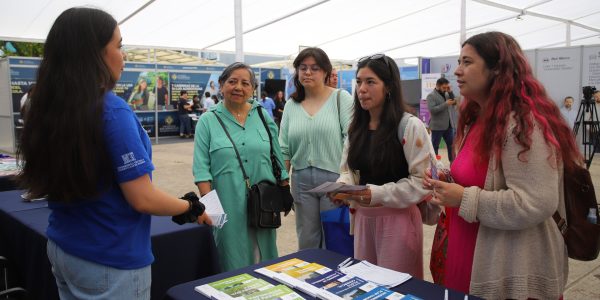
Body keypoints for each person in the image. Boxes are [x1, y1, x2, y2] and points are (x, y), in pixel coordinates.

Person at [16, 7, 211, 299]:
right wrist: (190, 207)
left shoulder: (48, 106)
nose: (124, 56)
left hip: (63, 246)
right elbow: (142, 198)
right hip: (110, 259)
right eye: (119, 46)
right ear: (93, 53)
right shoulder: (112, 110)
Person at [423, 31, 579, 299]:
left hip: (505, 266)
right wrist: (449, 181)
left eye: (467, 62)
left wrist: (463, 198)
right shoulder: (477, 118)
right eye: (458, 62)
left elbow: (536, 202)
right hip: (467, 254)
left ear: (497, 69)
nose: (457, 71)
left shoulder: (522, 124)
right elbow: (481, 179)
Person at [328, 54, 437, 278]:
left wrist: (376, 193)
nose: (362, 89)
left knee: (395, 287)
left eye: (370, 82)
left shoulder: (409, 126)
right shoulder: (355, 128)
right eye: (359, 82)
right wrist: (343, 187)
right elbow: (348, 170)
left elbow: (423, 181)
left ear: (388, 86)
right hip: (362, 221)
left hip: (398, 223)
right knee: (365, 285)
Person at [193, 62, 289, 271]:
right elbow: (201, 170)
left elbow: (277, 156)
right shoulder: (207, 121)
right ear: (221, 84)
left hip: (264, 202)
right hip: (228, 205)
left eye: (245, 83)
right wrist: (211, 206)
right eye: (232, 81)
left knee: (265, 260)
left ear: (253, 89)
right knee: (231, 261)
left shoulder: (263, 116)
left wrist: (285, 188)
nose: (239, 87)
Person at [278, 47, 353, 250]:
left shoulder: (341, 98)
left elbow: (351, 140)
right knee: (307, 238)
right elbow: (283, 148)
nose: (308, 73)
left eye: (314, 68)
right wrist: (283, 182)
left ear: (326, 72)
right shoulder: (292, 105)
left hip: (334, 180)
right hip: (300, 181)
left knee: (335, 236)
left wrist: (347, 181)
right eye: (303, 68)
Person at [427, 77, 456, 162]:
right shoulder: (431, 96)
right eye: (444, 88)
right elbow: (432, 110)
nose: (445, 89)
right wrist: (445, 104)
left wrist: (450, 92)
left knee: (451, 146)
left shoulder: (447, 94)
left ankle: (453, 165)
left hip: (449, 125)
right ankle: (434, 167)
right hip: (437, 127)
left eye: (447, 87)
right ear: (437, 86)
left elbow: (454, 101)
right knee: (435, 147)